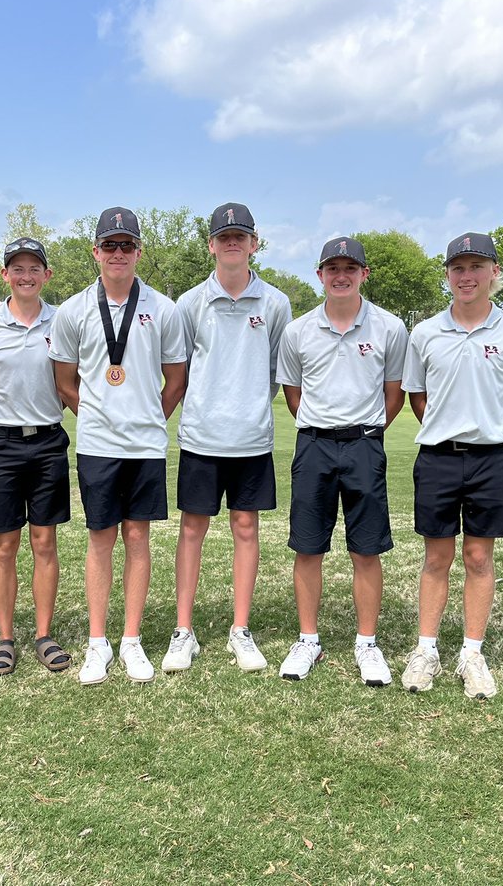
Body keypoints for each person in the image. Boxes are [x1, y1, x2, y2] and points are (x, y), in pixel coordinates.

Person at [399, 232, 503, 699]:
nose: (467, 276)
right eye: (458, 268)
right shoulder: (424, 333)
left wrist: (492, 432)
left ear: (493, 273)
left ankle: (472, 654)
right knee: (437, 557)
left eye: (476, 267)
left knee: (479, 557)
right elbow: (417, 397)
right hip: (438, 458)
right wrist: (450, 429)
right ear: (448, 275)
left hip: (491, 460)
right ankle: (426, 651)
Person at [50, 207, 187, 685]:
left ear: (138, 252)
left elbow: (176, 379)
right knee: (100, 539)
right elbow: (65, 382)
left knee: (137, 538)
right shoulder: (73, 311)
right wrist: (98, 419)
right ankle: (97, 644)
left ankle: (131, 641)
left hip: (146, 445)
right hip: (97, 446)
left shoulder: (163, 308)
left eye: (127, 245)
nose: (118, 253)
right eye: (110, 245)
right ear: (96, 252)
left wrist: (149, 419)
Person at [162, 202, 291, 674]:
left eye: (241, 236)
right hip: (201, 436)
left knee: (246, 529)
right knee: (192, 529)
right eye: (224, 236)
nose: (232, 242)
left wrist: (249, 405)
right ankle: (184, 630)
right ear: (212, 244)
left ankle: (241, 630)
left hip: (252, 438)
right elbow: (179, 369)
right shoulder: (190, 303)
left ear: (254, 244)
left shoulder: (276, 303)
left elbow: (276, 371)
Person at [275, 237, 408, 683]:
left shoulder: (389, 327)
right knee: (308, 547)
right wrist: (324, 427)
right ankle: (308, 640)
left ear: (364, 275)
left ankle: (367, 642)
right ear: (320, 274)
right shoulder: (297, 331)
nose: (341, 275)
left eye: (350, 268)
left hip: (364, 445)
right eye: (333, 268)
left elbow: (394, 395)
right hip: (313, 444)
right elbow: (294, 395)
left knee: (365, 548)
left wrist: (363, 433)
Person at [0, 237, 72, 676]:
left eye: (34, 268)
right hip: (1, 444)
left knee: (44, 541)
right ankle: (6, 639)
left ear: (46, 275)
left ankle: (44, 636)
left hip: (48, 442)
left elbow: (70, 379)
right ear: (4, 274)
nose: (26, 276)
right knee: (4, 543)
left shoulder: (63, 320)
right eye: (17, 268)